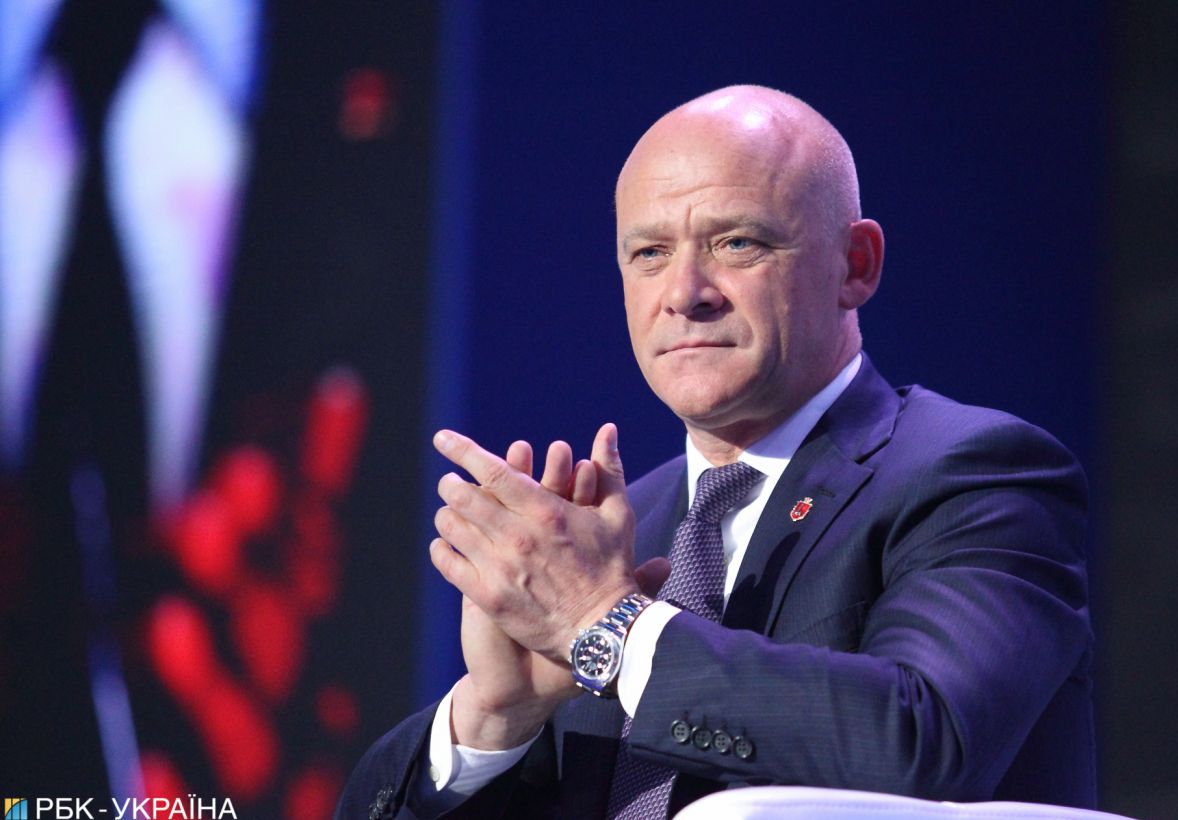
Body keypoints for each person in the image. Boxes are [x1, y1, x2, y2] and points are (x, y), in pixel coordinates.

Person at [336, 85, 1095, 819]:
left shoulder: (973, 474)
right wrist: (493, 719)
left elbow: (924, 742)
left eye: (737, 243)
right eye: (649, 253)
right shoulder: (616, 536)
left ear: (855, 265)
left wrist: (607, 626)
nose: (685, 292)